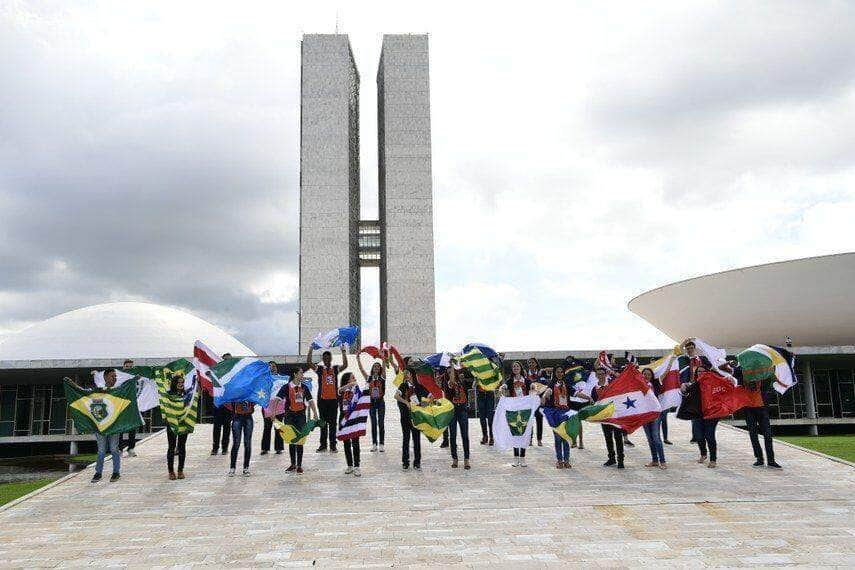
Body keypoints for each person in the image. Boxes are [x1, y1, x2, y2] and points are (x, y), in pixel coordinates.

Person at [733, 357, 782, 469]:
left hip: (761, 407)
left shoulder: (763, 373)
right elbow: (729, 370)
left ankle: (771, 460)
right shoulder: (741, 372)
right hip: (748, 408)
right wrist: (732, 363)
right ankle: (759, 459)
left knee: (768, 434)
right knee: (753, 434)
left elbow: (773, 371)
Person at [680, 340, 719, 466]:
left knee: (709, 435)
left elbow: (717, 367)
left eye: (692, 347)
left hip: (711, 412)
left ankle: (713, 459)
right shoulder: (693, 383)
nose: (701, 374)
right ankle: (703, 453)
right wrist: (683, 387)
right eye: (699, 372)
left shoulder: (712, 382)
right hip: (696, 411)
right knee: (698, 435)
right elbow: (685, 393)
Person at [307, 343, 348, 453]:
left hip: (334, 400)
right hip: (322, 400)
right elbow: (309, 363)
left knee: (333, 423)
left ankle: (333, 445)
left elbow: (345, 365)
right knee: (323, 423)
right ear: (322, 359)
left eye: (328, 358)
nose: (326, 359)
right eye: (324, 358)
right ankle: (323, 445)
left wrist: (343, 351)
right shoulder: (319, 369)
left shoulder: (335, 368)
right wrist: (311, 349)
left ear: (331, 358)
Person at [276, 367, 318, 474]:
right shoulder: (286, 387)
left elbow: (310, 400)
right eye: (300, 373)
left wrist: (315, 413)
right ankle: (292, 464)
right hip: (289, 416)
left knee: (300, 440)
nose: (302, 375)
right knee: (291, 440)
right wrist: (273, 412)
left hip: (300, 416)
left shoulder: (304, 387)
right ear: (295, 374)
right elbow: (278, 399)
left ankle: (299, 465)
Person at [394, 368, 429, 471]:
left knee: (416, 439)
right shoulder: (403, 385)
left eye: (407, 373)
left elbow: (430, 397)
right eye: (405, 373)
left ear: (412, 374)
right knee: (406, 439)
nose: (405, 375)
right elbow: (396, 396)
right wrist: (406, 402)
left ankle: (417, 462)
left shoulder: (419, 387)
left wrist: (422, 405)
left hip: (416, 417)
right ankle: (405, 462)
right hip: (405, 416)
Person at [91, 368, 121, 483]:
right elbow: (84, 394)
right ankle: (98, 472)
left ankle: (116, 472)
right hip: (101, 425)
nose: (114, 378)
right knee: (101, 450)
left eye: (115, 376)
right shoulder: (98, 391)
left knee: (114, 448)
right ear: (105, 377)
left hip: (114, 425)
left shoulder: (118, 391)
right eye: (112, 376)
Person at [500, 361, 533, 467]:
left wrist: (533, 387)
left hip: (525, 409)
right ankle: (515, 457)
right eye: (514, 366)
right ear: (512, 370)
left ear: (521, 368)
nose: (515, 368)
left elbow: (533, 386)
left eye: (517, 366)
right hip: (514, 409)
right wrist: (502, 388)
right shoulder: (510, 381)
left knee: (524, 432)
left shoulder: (527, 381)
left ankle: (522, 457)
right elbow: (504, 386)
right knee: (515, 431)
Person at [591, 368, 625, 468]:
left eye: (602, 374)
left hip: (615, 415)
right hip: (604, 417)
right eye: (599, 374)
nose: (601, 376)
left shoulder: (612, 384)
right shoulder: (595, 388)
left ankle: (621, 460)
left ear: (605, 374)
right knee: (608, 437)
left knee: (618, 437)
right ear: (596, 376)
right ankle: (611, 458)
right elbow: (594, 402)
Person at [541, 365, 572, 469]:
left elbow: (576, 393)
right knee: (558, 438)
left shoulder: (566, 383)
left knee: (566, 437)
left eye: (561, 372)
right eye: (558, 372)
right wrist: (545, 396)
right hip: (555, 413)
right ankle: (559, 460)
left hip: (565, 413)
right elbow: (548, 391)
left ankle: (566, 459)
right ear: (555, 373)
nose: (560, 374)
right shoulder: (552, 384)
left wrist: (588, 397)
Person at [358, 356, 389, 452]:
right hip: (371, 403)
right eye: (374, 366)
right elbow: (361, 369)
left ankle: (382, 444)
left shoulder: (382, 377)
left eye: (378, 366)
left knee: (381, 423)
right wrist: (358, 359)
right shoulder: (369, 378)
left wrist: (383, 358)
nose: (376, 368)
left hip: (380, 403)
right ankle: (374, 443)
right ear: (372, 368)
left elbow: (384, 367)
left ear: (380, 369)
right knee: (374, 424)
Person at [444, 365, 472, 469]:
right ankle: (455, 458)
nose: (450, 373)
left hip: (463, 410)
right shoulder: (448, 384)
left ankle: (466, 459)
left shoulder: (462, 380)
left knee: (465, 435)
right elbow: (451, 381)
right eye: (448, 372)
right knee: (453, 435)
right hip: (453, 410)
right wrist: (451, 367)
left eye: (451, 371)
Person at [165, 371, 190, 480]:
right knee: (171, 447)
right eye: (179, 382)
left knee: (182, 447)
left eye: (182, 382)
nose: (181, 384)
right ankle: (171, 471)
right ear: (174, 383)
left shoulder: (187, 394)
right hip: (171, 423)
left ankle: (180, 470)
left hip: (183, 423)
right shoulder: (169, 395)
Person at [640, 367, 667, 469]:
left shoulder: (655, 384)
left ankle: (662, 460)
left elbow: (665, 373)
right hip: (644, 415)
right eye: (644, 374)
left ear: (651, 376)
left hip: (655, 414)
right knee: (650, 439)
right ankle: (654, 460)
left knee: (656, 438)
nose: (646, 376)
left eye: (648, 374)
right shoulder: (638, 386)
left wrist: (671, 360)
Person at [338, 372, 363, 476]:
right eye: (353, 377)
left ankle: (357, 466)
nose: (355, 378)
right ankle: (349, 465)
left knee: (355, 442)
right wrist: (349, 385)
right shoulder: (343, 389)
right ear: (348, 379)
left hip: (353, 417)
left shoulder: (356, 389)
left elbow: (361, 400)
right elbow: (339, 391)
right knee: (346, 442)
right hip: (344, 416)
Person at [260, 361, 285, 455]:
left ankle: (279, 448)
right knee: (267, 427)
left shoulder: (282, 379)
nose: (272, 368)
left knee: (278, 426)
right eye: (270, 367)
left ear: (276, 368)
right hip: (267, 406)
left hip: (279, 406)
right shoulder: (264, 379)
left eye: (274, 366)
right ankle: (265, 448)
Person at [211, 352, 233, 455]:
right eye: (225, 360)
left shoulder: (234, 373)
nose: (227, 361)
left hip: (228, 405)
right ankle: (215, 448)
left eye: (229, 360)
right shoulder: (217, 372)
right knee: (216, 427)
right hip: (218, 404)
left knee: (227, 427)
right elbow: (210, 382)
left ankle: (225, 448)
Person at [229, 399, 254, 477]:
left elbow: (255, 400)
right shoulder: (235, 391)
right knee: (236, 443)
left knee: (247, 443)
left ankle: (246, 467)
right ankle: (232, 467)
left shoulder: (249, 390)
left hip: (248, 417)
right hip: (237, 417)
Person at [118, 359, 138, 457]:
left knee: (132, 427)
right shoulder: (118, 376)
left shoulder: (135, 376)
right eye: (127, 366)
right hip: (121, 404)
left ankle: (131, 448)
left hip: (132, 404)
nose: (129, 368)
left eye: (131, 367)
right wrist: (96, 374)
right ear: (124, 366)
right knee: (120, 427)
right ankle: (119, 449)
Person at [525, 357, 544, 446]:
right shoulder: (525, 374)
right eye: (529, 363)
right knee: (529, 420)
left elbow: (545, 385)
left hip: (538, 399)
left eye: (532, 362)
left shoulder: (540, 373)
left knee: (539, 420)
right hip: (529, 400)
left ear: (536, 363)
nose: (531, 364)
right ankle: (530, 439)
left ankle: (539, 439)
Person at [476, 377, 496, 446]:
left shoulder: (491, 368)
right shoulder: (478, 368)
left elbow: (496, 378)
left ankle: (492, 437)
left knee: (490, 417)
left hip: (489, 394)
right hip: (480, 394)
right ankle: (485, 436)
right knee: (482, 417)